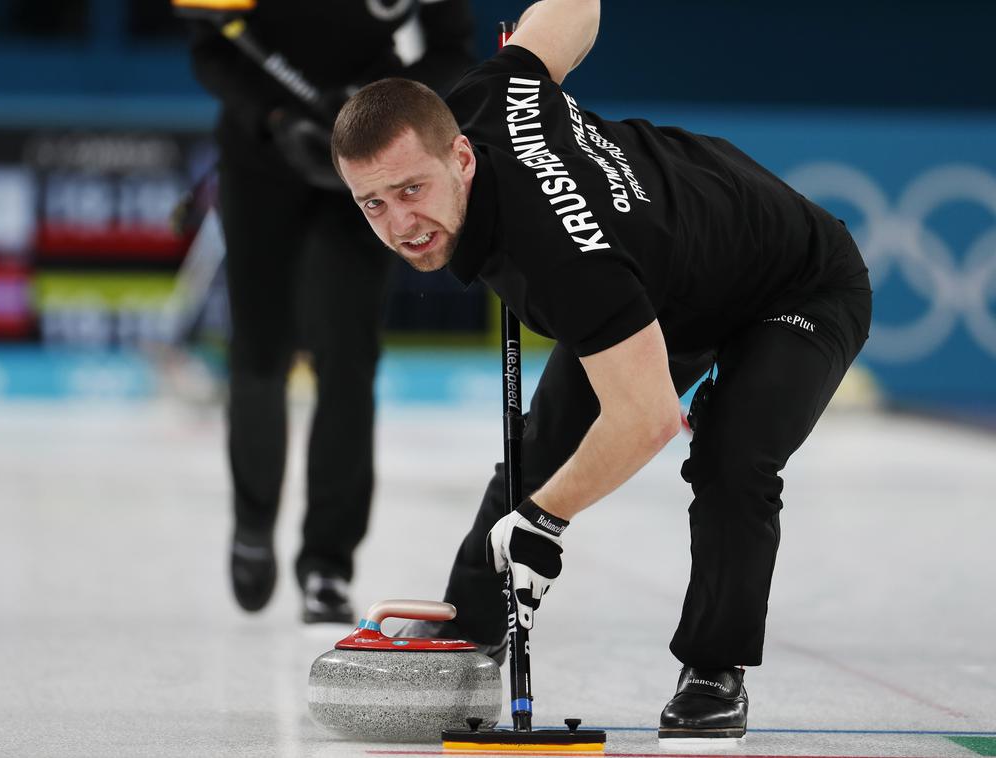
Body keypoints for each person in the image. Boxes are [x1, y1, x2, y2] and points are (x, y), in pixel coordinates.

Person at [330, 0, 871, 741]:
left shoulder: (560, 257)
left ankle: (714, 670)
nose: (400, 225)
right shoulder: (497, 87)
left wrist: (546, 524)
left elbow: (648, 419)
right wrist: (525, 42)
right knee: (540, 444)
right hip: (661, 280)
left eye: (412, 191)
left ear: (461, 158)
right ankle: (468, 628)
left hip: (794, 281)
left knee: (731, 457)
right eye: (374, 204)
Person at [178, 0, 475, 623]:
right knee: (259, 349)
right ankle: (253, 525)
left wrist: (376, 106)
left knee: (348, 360)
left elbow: (452, 50)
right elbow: (209, 48)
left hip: (370, 164)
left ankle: (327, 567)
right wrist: (274, 117)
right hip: (262, 160)